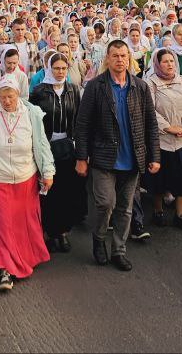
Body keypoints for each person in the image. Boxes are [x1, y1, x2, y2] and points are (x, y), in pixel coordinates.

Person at [74, 39, 161, 271]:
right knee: (105, 203)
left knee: (125, 208)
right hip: (104, 158)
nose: (120, 60)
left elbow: (151, 124)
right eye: (115, 56)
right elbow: (82, 124)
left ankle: (119, 250)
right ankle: (99, 238)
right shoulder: (95, 86)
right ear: (107, 59)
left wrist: (155, 156)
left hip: (132, 159)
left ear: (129, 58)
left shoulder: (140, 87)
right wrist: (81, 157)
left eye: (123, 56)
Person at [0, 75, 54, 292]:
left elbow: (41, 144)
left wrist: (47, 171)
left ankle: (22, 257)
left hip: (25, 176)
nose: (6, 101)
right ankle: (5, 269)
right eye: (2, 97)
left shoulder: (32, 113)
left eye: (11, 96)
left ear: (18, 95)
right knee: (1, 224)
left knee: (22, 223)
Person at [29, 52, 87, 248]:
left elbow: (79, 120)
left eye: (63, 68)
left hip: (68, 147)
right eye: (56, 68)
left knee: (66, 191)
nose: (60, 72)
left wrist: (81, 148)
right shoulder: (39, 91)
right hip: (46, 147)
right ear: (49, 69)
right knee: (48, 191)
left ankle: (63, 232)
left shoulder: (73, 90)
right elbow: (32, 121)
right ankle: (49, 231)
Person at [143, 48, 182, 230]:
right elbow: (150, 110)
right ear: (158, 64)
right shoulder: (151, 83)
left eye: (172, 61)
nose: (169, 65)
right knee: (159, 181)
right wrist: (168, 127)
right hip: (162, 140)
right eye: (165, 61)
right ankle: (158, 211)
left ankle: (180, 214)